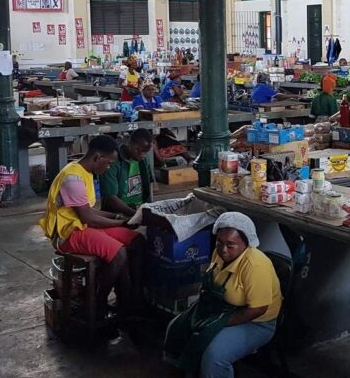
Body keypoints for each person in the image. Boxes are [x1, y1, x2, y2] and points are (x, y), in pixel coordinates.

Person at [164, 211, 282, 378]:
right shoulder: (219, 253)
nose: (223, 249)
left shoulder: (255, 265)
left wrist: (217, 323)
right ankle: (183, 371)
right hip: (221, 308)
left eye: (230, 245)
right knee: (176, 328)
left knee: (214, 355)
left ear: (246, 244)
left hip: (256, 322)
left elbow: (258, 309)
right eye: (219, 242)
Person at [37, 135, 144, 319]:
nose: (108, 167)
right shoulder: (73, 178)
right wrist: (121, 222)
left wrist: (119, 216)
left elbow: (90, 211)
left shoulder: (86, 173)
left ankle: (130, 297)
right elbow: (88, 217)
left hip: (82, 225)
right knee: (119, 253)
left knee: (136, 240)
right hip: (68, 233)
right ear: (97, 158)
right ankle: (97, 303)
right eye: (108, 163)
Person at [101, 129, 154, 217]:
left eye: (145, 152)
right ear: (129, 143)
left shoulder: (144, 159)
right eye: (138, 150)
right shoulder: (113, 161)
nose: (142, 155)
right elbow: (110, 197)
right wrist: (135, 215)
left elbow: (149, 184)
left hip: (140, 209)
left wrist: (151, 208)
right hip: (117, 213)